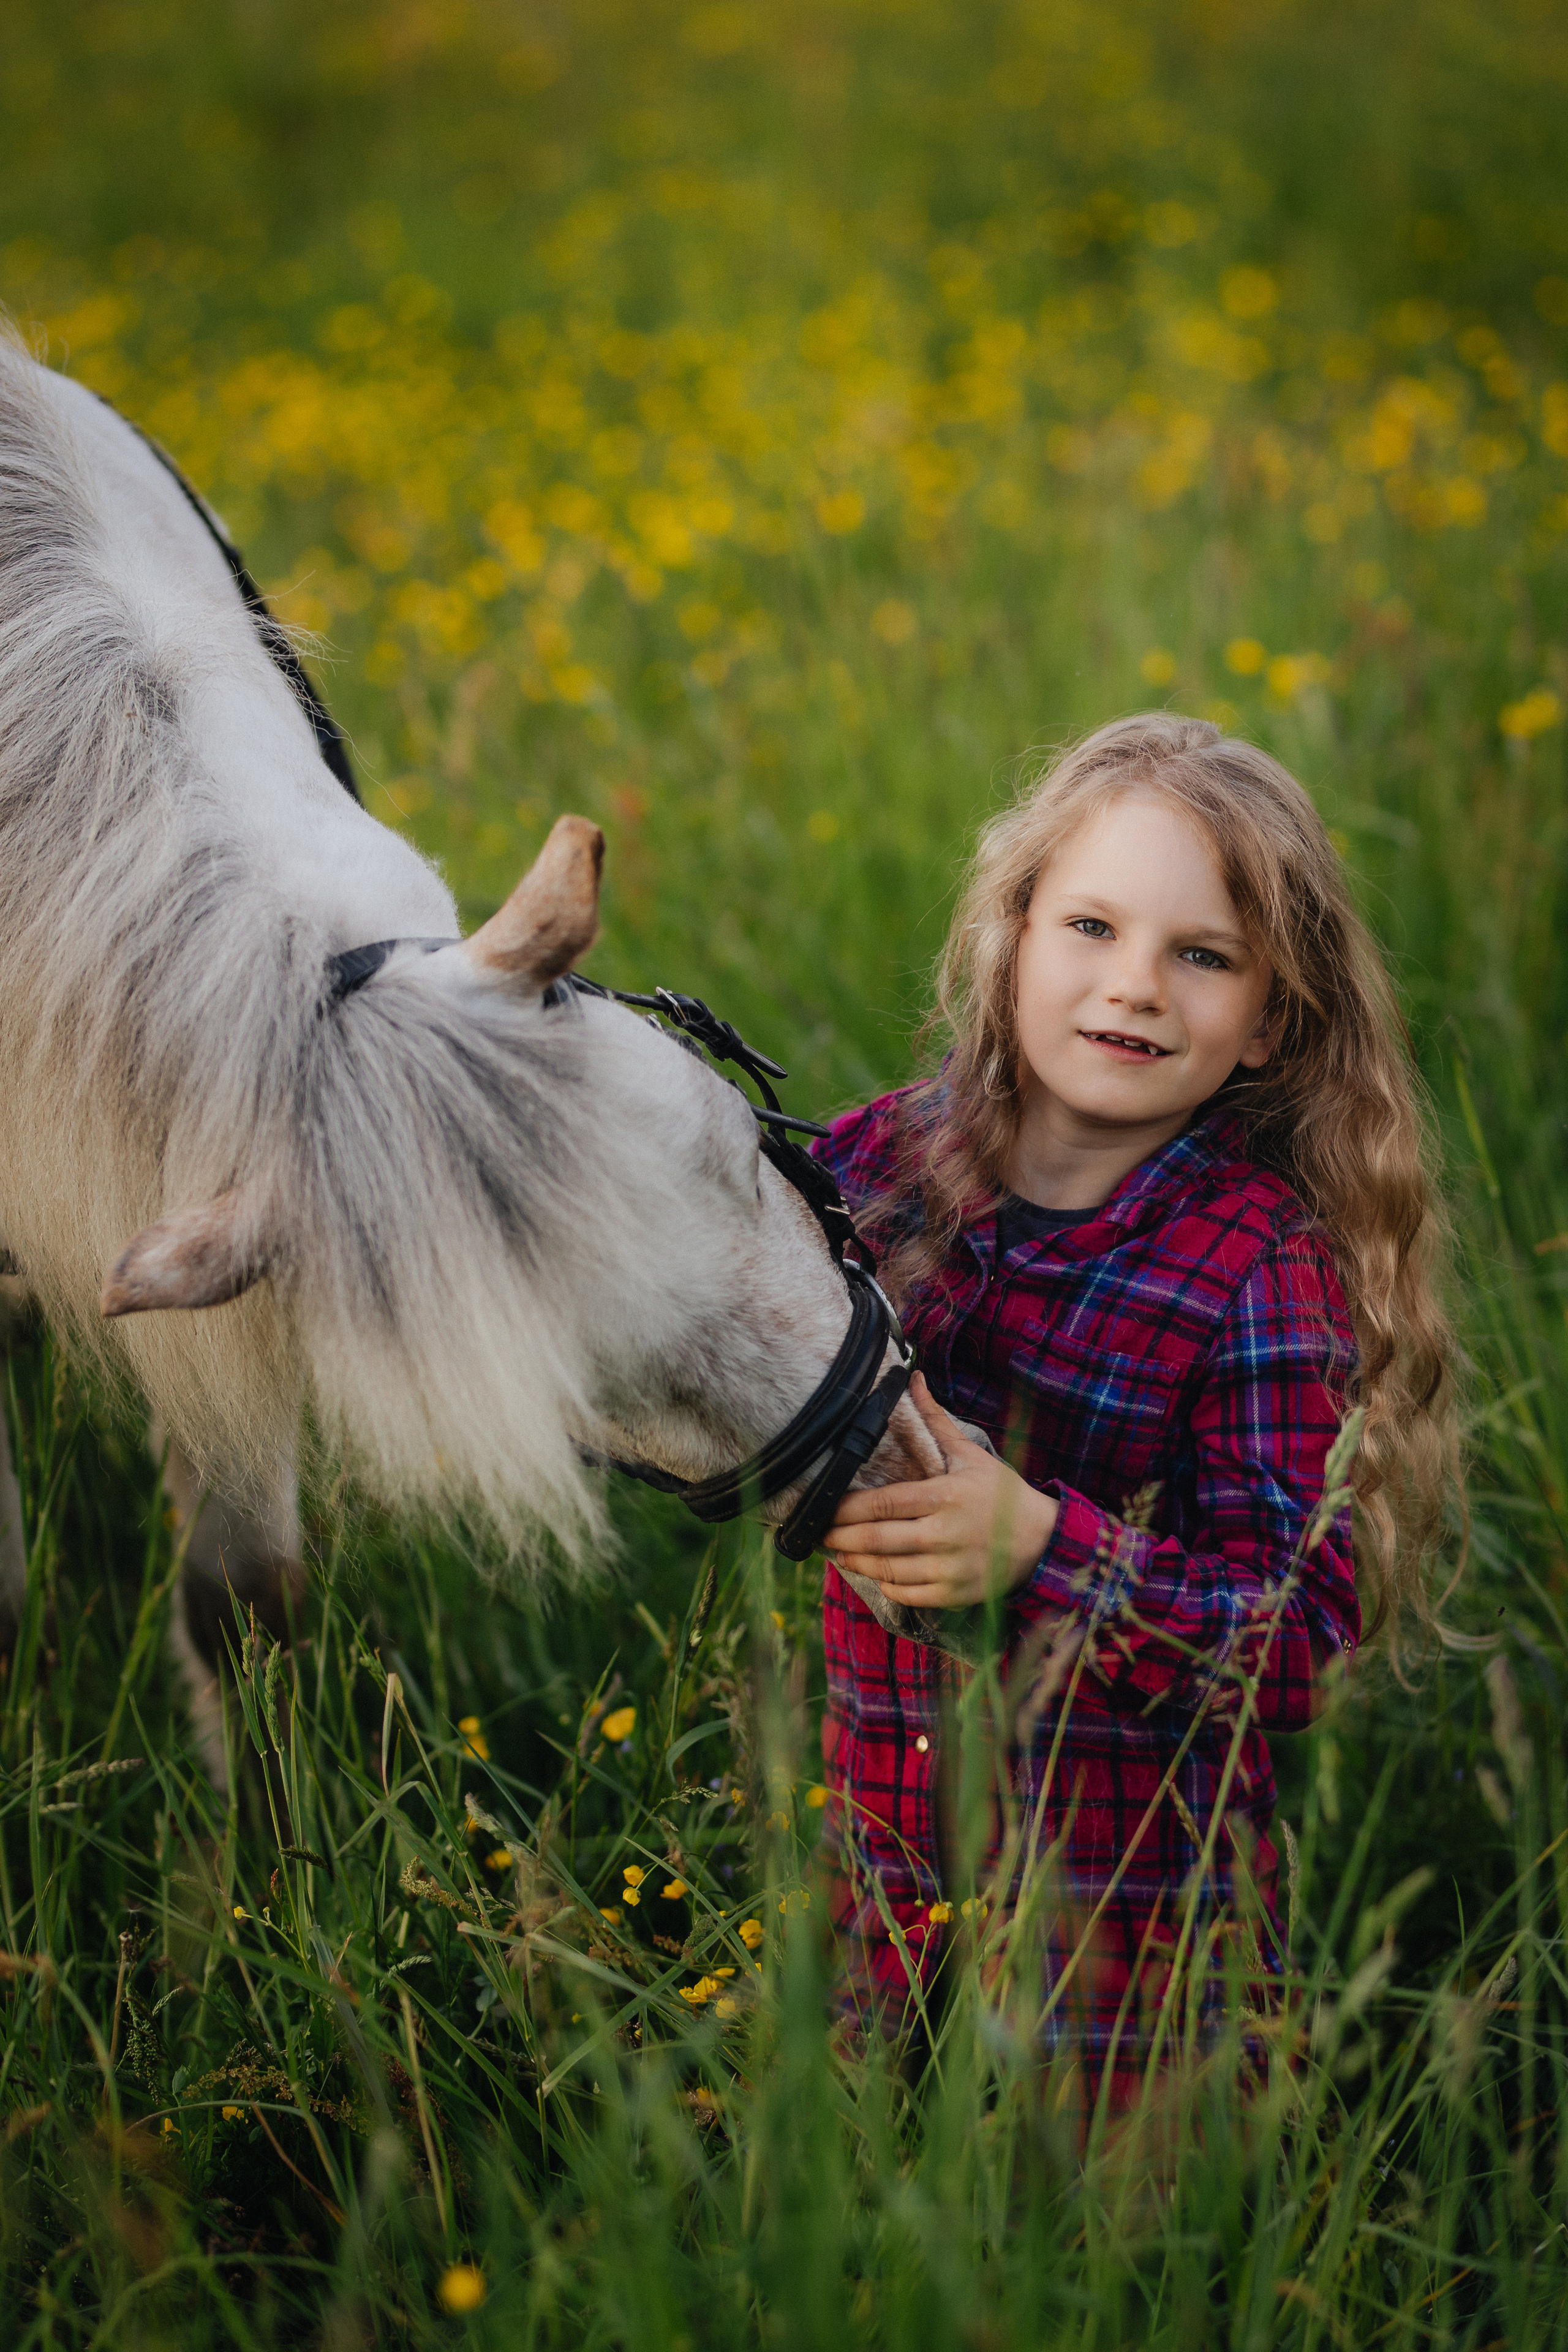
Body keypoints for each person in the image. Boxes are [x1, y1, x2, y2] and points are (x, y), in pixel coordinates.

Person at [812, 712, 1458, 2103]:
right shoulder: (871, 1172)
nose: (1136, 987)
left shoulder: (1252, 1269)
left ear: (1267, 1022)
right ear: (1013, 935)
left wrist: (1041, 1551)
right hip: (875, 1918)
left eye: (1202, 955)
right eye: (1090, 927)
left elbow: (1295, 1642)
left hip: (1125, 1992)